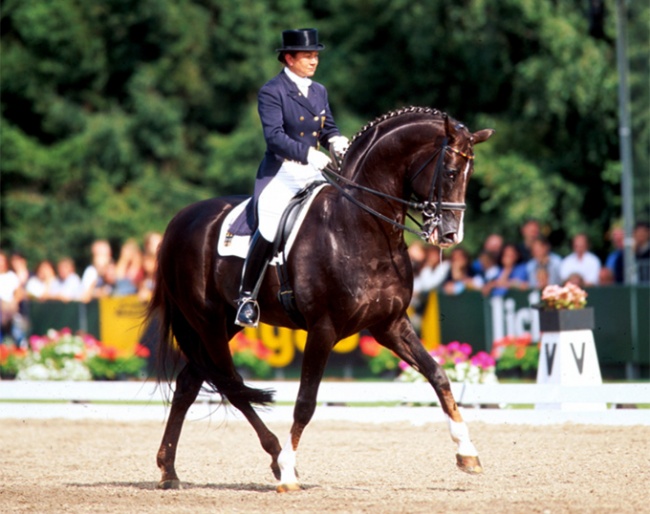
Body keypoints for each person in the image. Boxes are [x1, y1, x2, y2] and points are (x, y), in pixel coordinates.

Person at [231, 28, 348, 327]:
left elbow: (326, 126)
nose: (313, 61)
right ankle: (247, 297)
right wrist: (308, 154)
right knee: (270, 223)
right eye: (307, 56)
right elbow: (274, 137)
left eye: (315, 55)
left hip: (313, 169)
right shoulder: (272, 91)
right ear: (288, 58)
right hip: (281, 171)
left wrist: (335, 139)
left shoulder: (319, 90)